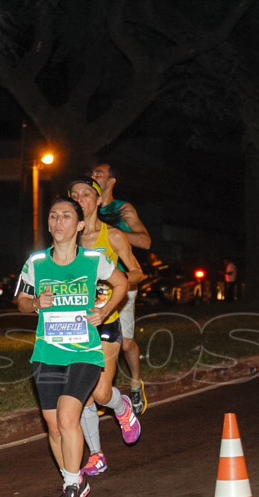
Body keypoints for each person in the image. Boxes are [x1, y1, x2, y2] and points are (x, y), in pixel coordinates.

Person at [16, 196, 127, 497]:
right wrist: (37, 303)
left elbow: (121, 283)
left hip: (85, 353)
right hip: (47, 353)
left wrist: (104, 310)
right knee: (53, 427)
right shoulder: (36, 262)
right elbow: (21, 301)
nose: (58, 222)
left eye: (65, 216)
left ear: (79, 225)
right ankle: (74, 477)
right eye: (53, 216)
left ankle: (72, 486)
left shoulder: (93, 260)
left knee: (67, 417)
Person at [70, 177, 143, 478]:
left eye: (87, 194)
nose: (80, 199)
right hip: (75, 325)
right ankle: (96, 454)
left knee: (101, 394)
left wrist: (113, 287)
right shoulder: (66, 242)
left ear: (98, 201)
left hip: (106, 320)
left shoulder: (111, 236)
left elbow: (137, 272)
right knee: (83, 395)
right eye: (74, 195)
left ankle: (122, 406)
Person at [91, 163, 151, 414]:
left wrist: (115, 234)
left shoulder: (122, 209)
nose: (93, 176)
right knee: (95, 339)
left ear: (111, 180)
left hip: (121, 284)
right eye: (92, 173)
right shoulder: (85, 210)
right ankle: (101, 390)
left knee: (125, 343)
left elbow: (146, 241)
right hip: (92, 288)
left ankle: (136, 384)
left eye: (99, 173)